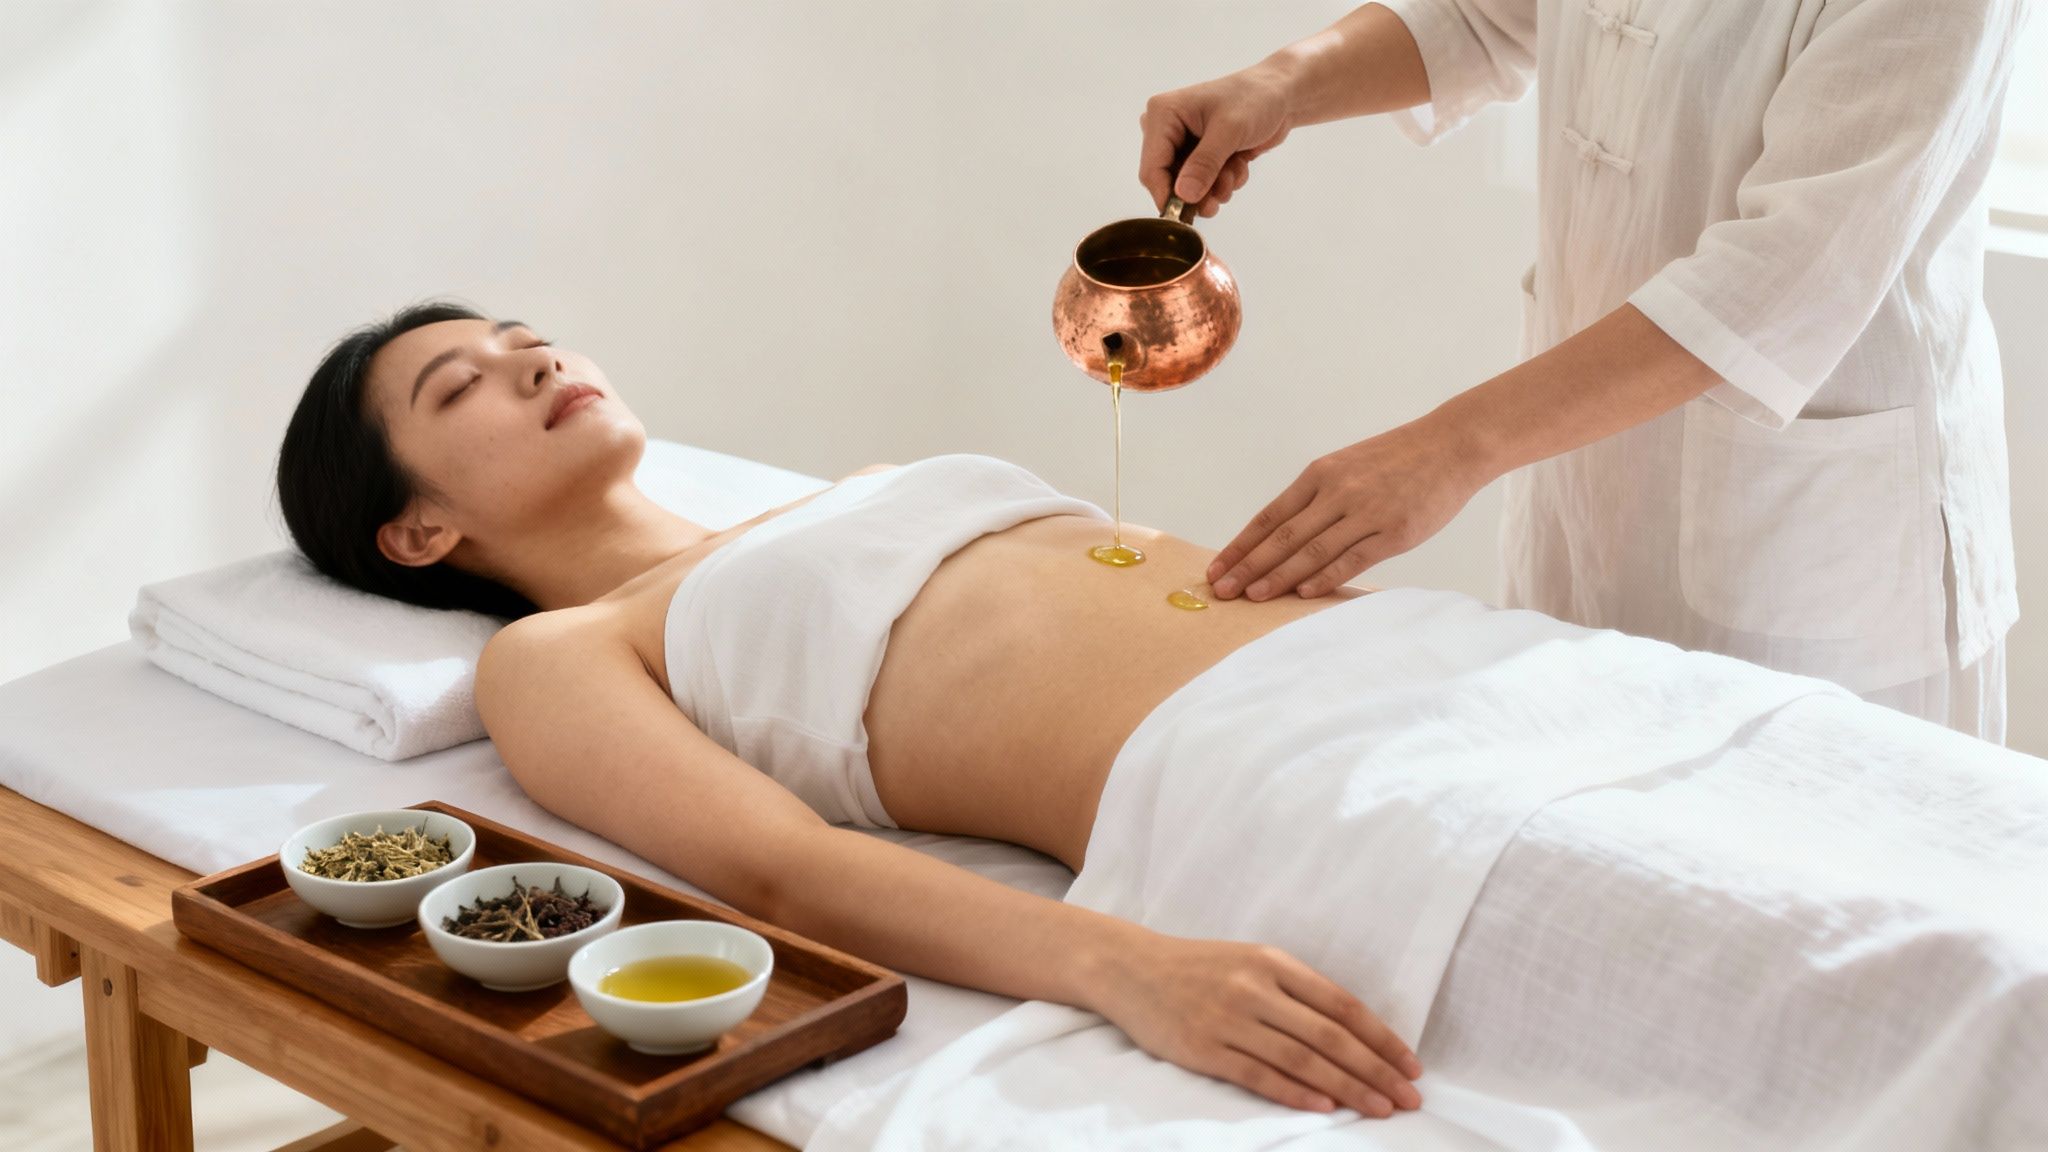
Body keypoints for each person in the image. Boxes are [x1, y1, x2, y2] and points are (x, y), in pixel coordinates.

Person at [1139, 0, 2027, 742]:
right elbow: (1484, 14)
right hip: (1587, 475)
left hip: (1805, 534)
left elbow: (1791, 270)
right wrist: (1283, 81)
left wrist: (1452, 447)